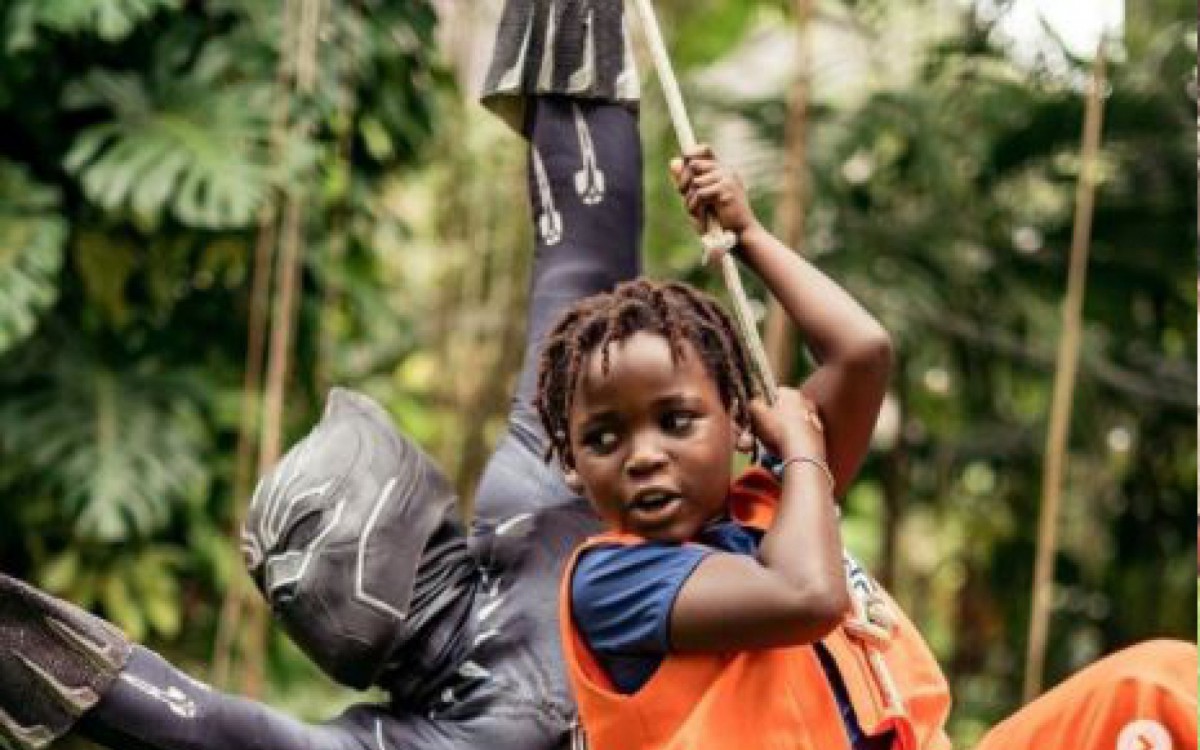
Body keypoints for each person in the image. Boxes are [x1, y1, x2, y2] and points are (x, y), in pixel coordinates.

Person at [0, 2, 643, 747]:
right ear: (414, 509)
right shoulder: (532, 517)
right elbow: (581, 271)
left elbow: (204, 724)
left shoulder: (410, 735)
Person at [536, 148, 1198, 750]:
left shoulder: (780, 504)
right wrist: (801, 450)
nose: (643, 455)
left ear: (739, 421)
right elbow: (805, 596)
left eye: (676, 421)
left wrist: (749, 237)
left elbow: (862, 353)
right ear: (572, 464)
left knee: (1159, 681)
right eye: (603, 439)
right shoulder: (612, 580)